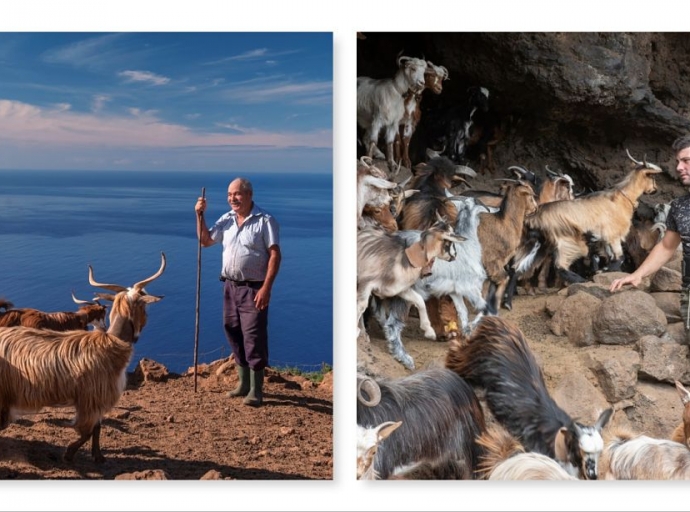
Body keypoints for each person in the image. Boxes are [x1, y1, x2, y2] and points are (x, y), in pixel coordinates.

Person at [195, 177, 281, 407]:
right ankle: (243, 384)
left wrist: (266, 288)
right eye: (229, 195)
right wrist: (199, 215)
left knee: (253, 337)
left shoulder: (265, 221)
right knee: (232, 330)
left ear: (249, 195)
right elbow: (205, 241)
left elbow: (274, 254)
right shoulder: (227, 219)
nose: (232, 198)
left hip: (254, 288)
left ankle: (256, 390)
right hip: (230, 287)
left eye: (237, 194)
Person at [610, 135, 690, 342]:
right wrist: (638, 275)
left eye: (686, 161)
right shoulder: (679, 207)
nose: (679, 167)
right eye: (678, 162)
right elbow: (666, 246)